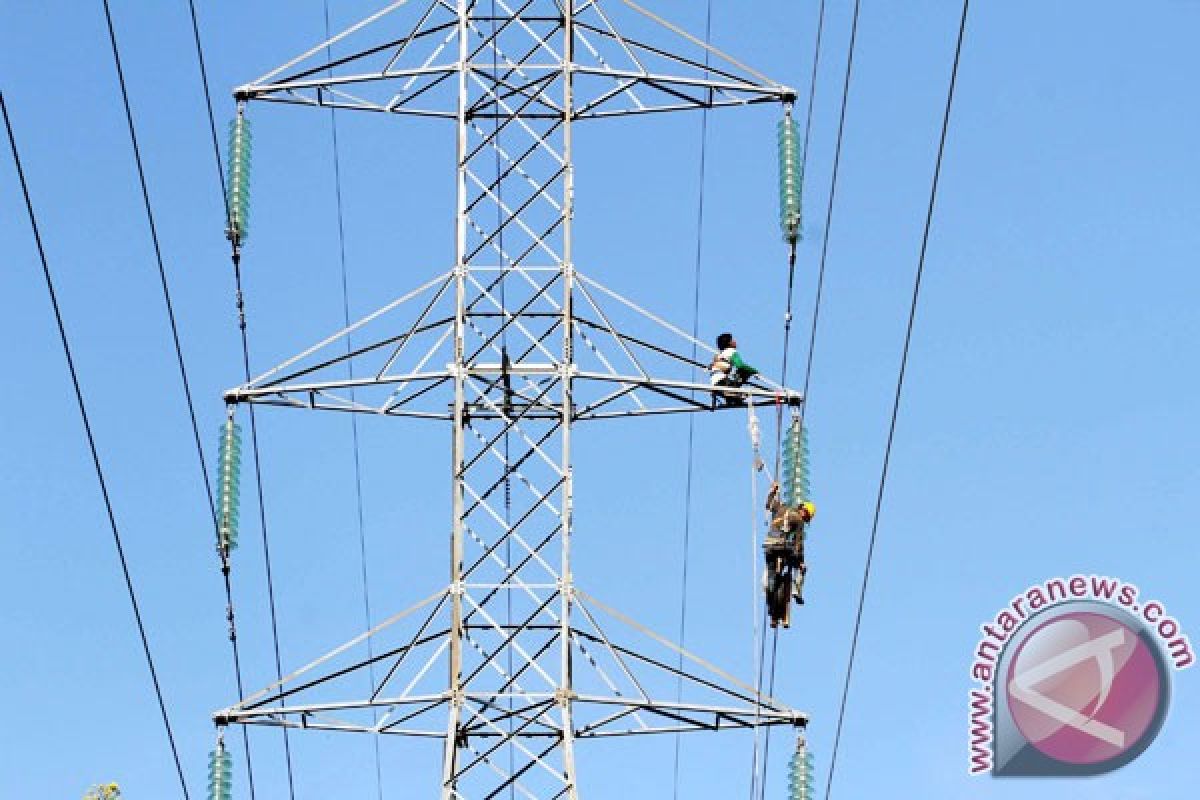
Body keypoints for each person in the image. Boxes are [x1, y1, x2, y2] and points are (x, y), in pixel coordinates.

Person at [710, 332, 759, 405]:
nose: (735, 341)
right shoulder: (732, 352)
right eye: (732, 340)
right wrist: (754, 371)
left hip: (714, 385)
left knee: (733, 375)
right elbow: (740, 365)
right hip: (724, 384)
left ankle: (731, 398)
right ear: (729, 343)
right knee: (744, 370)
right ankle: (733, 394)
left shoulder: (719, 355)